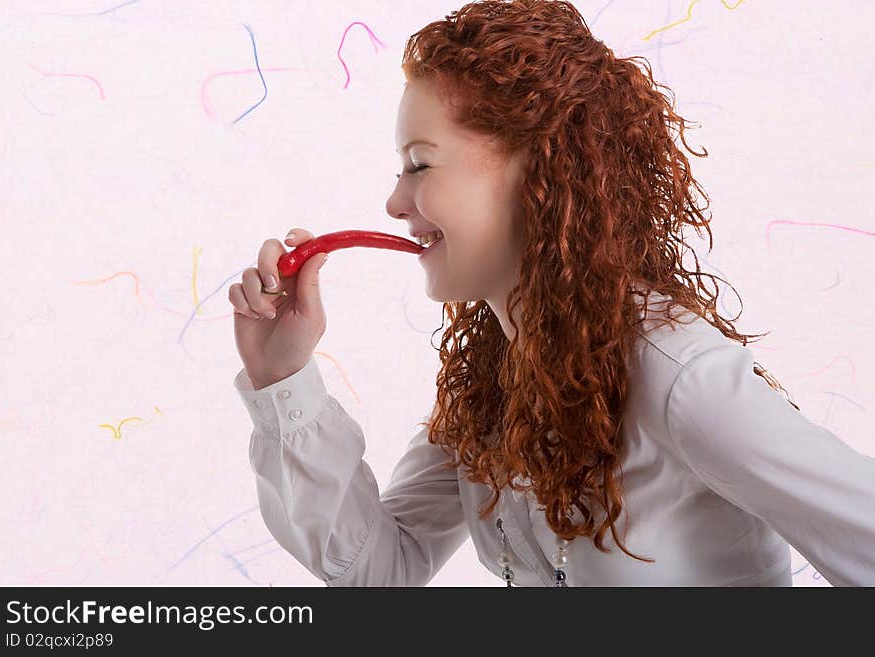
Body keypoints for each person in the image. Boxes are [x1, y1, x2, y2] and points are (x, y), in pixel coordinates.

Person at [228, 0, 875, 586]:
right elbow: (380, 571)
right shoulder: (496, 377)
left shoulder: (680, 378)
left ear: (538, 169)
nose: (395, 202)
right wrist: (282, 374)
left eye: (419, 165)